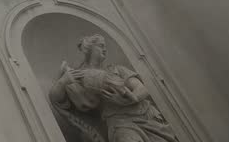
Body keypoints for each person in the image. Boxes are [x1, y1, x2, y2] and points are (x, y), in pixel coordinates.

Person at [48, 34, 178, 142]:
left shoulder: (117, 69)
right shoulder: (78, 76)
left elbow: (142, 88)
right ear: (89, 49)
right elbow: (56, 99)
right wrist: (63, 81)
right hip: (120, 123)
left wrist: (130, 99)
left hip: (146, 116)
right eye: (101, 46)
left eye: (105, 46)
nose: (105, 49)